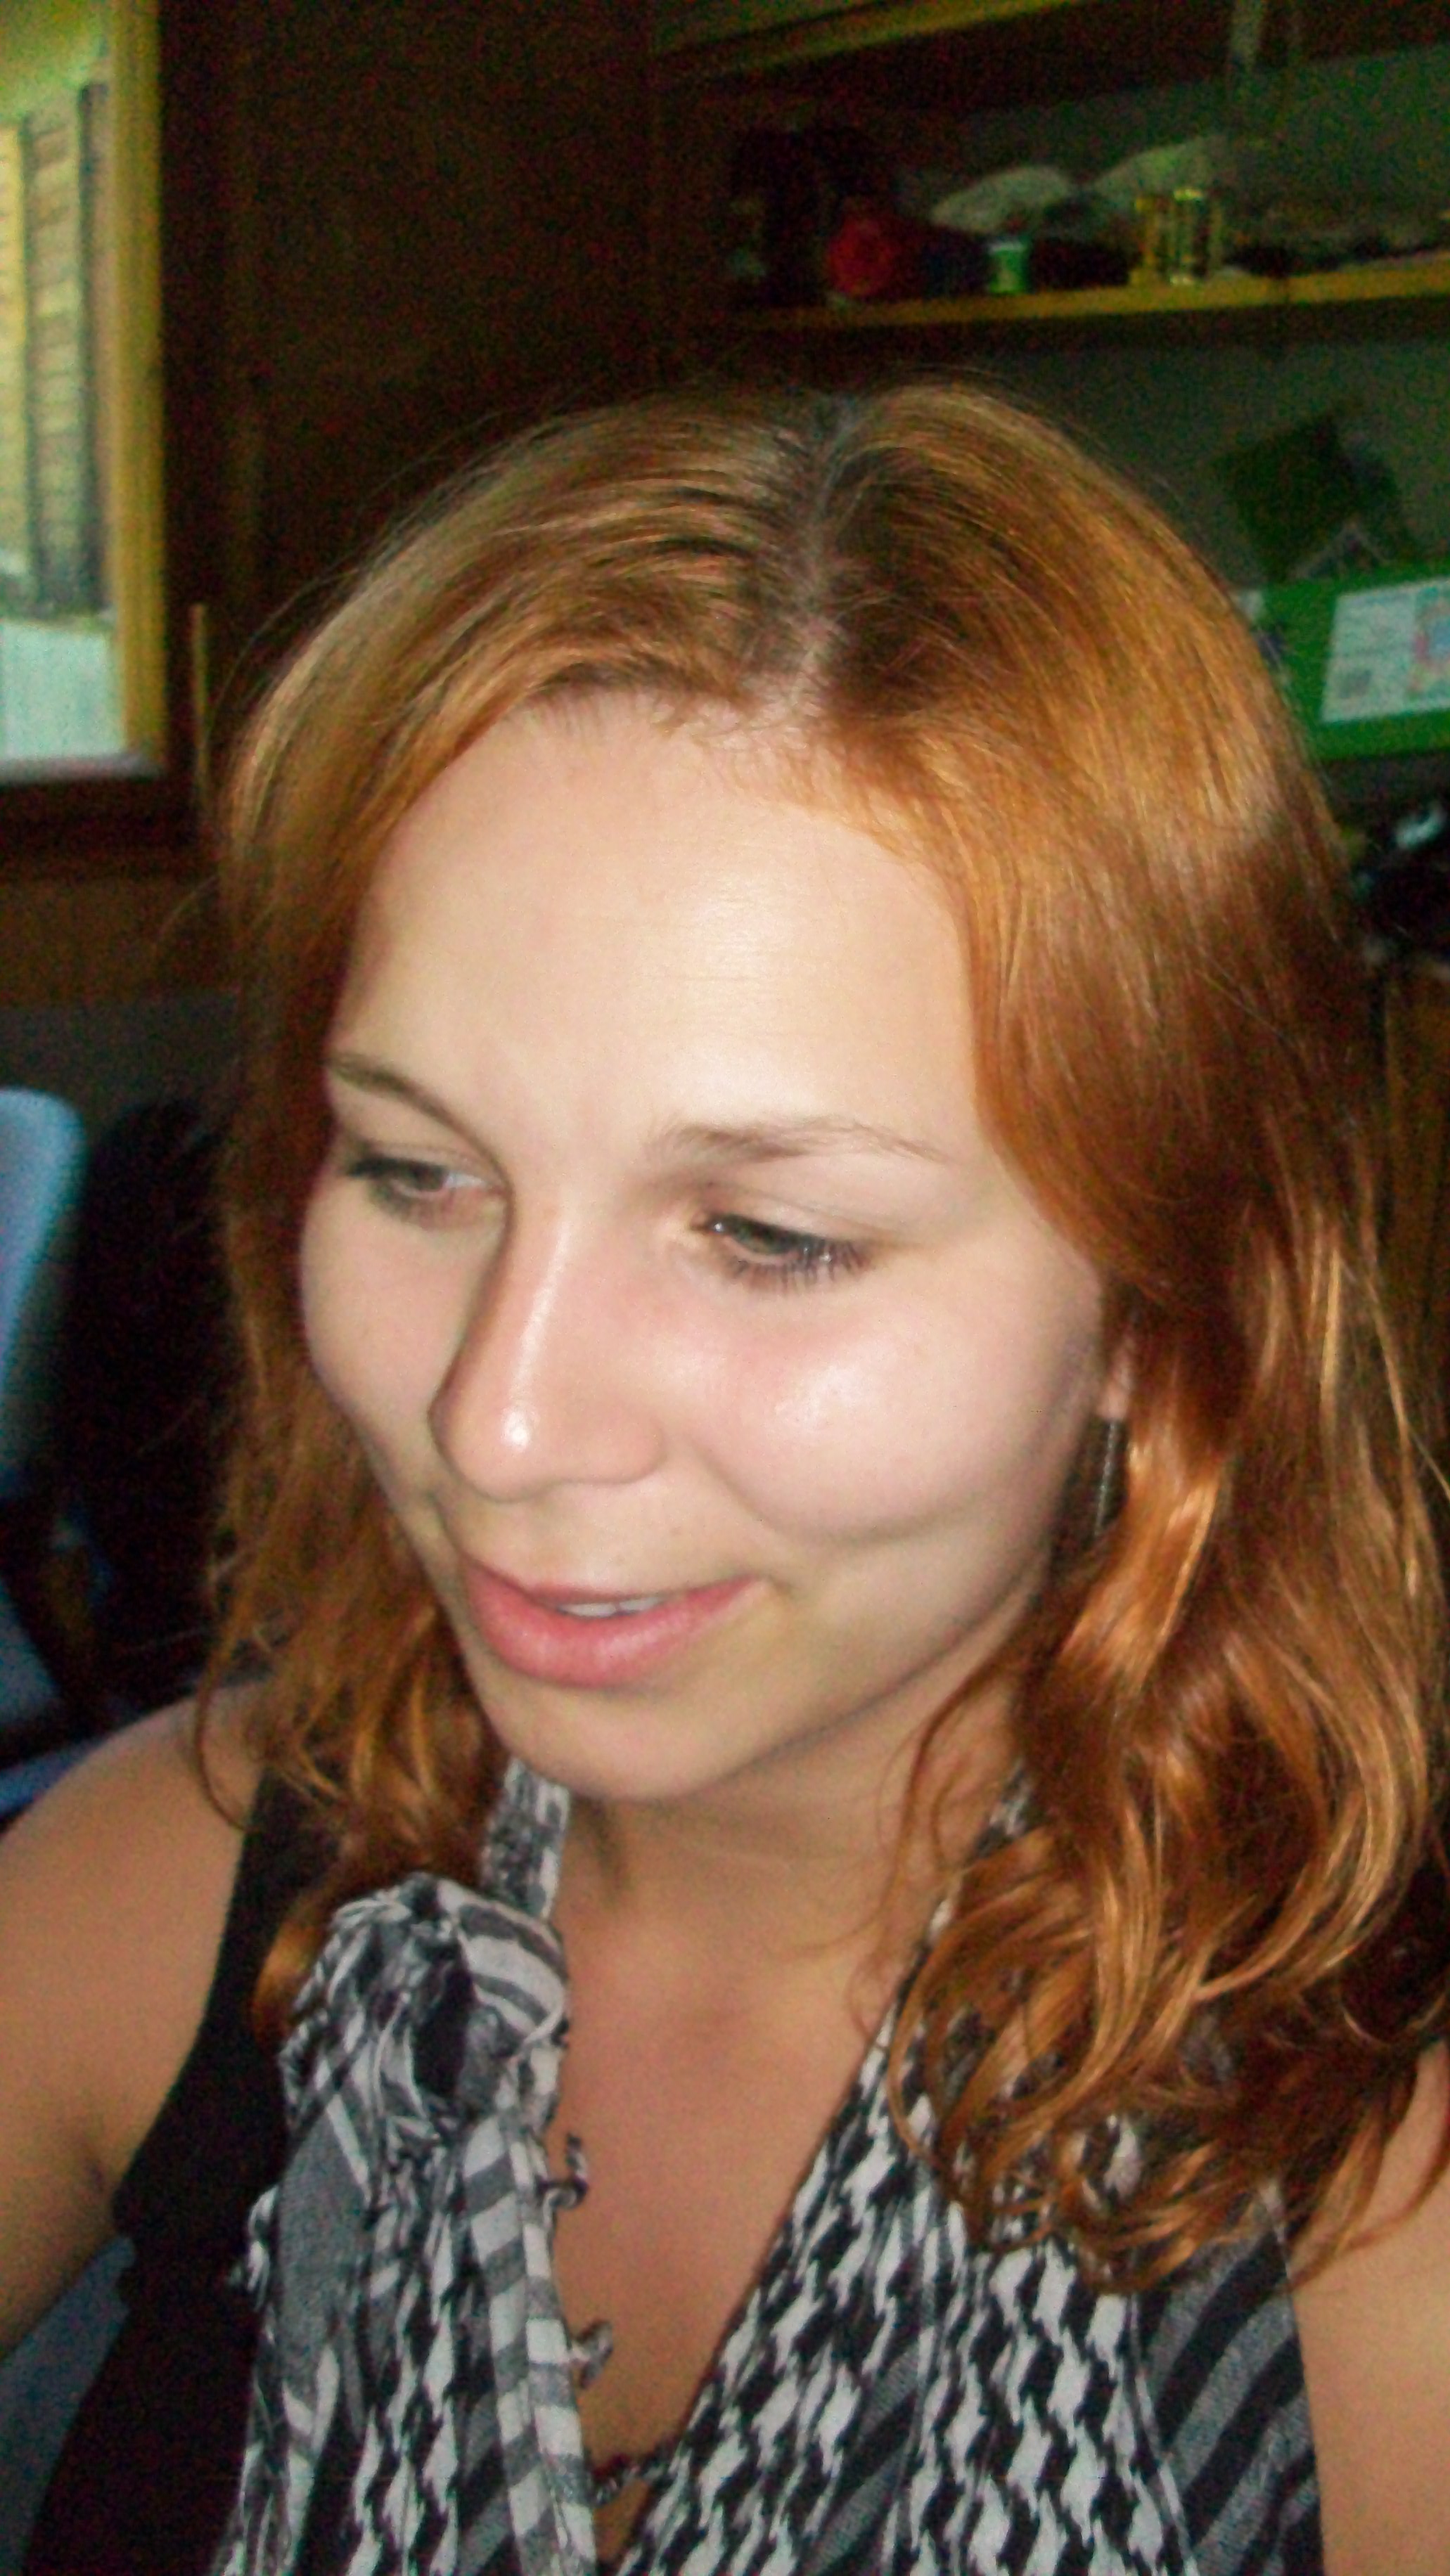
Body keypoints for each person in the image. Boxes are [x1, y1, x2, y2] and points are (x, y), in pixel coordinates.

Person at [1, 385, 1447, 2576]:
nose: (496, 1420)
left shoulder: (1382, 2252)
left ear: (1164, 1323)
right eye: (416, 1170)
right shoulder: (159, 1904)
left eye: (769, 1235)